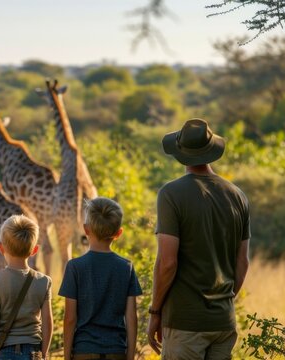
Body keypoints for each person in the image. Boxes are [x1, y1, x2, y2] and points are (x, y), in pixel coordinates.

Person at [147, 118, 251, 358]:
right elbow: (243, 262)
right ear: (211, 150)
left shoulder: (171, 194)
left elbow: (167, 263)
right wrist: (221, 303)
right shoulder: (238, 195)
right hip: (224, 322)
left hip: (185, 324)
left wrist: (155, 313)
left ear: (180, 152)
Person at [59, 197, 142, 360]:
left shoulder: (74, 267)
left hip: (84, 350)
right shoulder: (126, 267)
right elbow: (132, 317)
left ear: (86, 229)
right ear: (118, 233)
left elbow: (70, 318)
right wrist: (130, 356)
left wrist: (67, 356)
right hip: (116, 351)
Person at [0, 215, 53, 360]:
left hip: (4, 351)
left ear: (1, 248)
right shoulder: (44, 281)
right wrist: (44, 353)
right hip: (34, 351)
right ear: (34, 250)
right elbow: (47, 322)